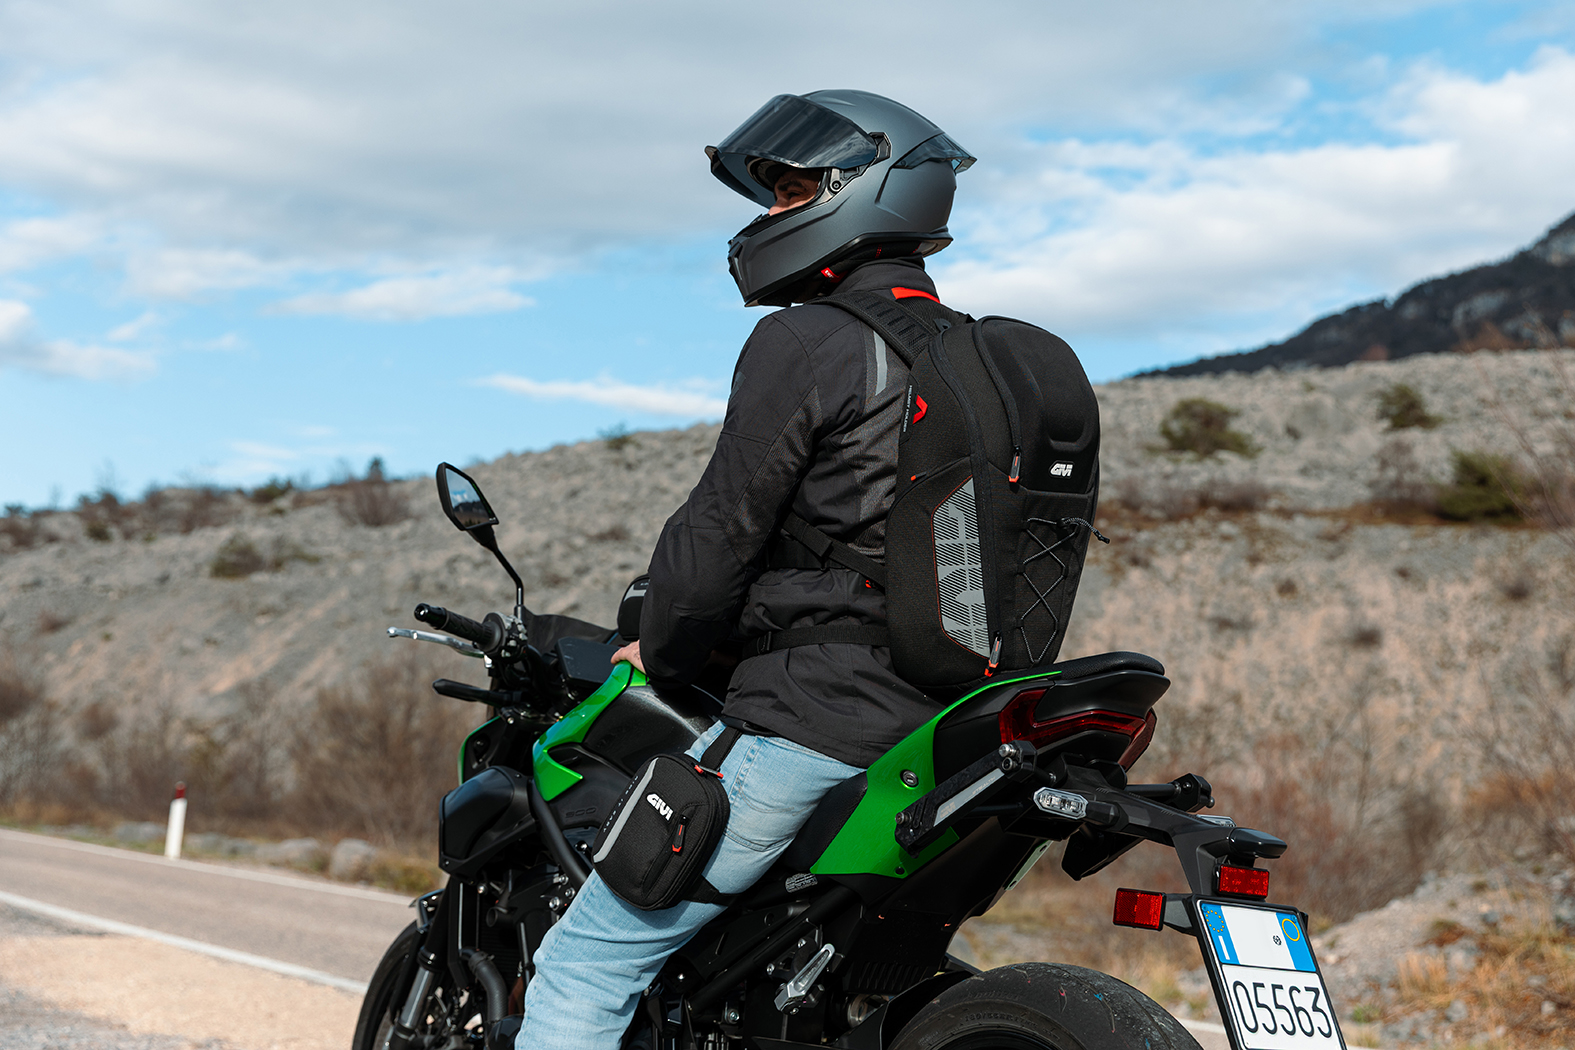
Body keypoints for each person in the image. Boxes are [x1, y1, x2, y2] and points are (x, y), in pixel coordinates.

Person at [517, 89, 976, 1050]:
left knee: (585, 964)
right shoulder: (985, 361)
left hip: (817, 718)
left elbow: (717, 534)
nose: (768, 211)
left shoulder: (809, 340)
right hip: (950, 733)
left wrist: (663, 650)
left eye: (791, 190)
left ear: (862, 192)